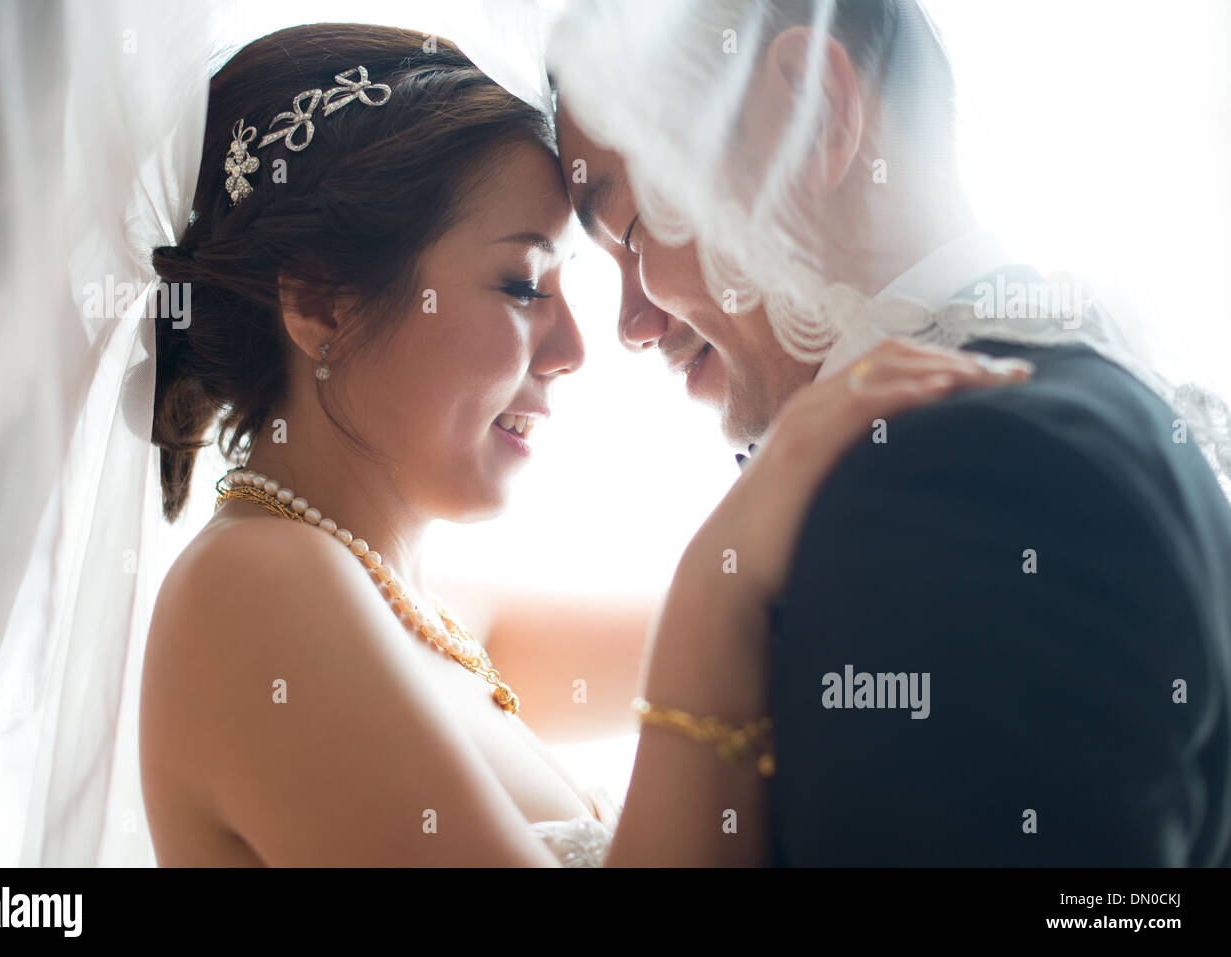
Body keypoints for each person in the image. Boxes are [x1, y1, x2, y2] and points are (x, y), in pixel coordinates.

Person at [138, 20, 1027, 867]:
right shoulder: (254, 588)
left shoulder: (434, 611)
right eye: (523, 284)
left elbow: (800, 629)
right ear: (323, 303)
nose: (573, 351)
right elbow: (722, 629)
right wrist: (744, 530)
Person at [550, 0, 1231, 865]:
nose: (631, 324)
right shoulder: (1036, 404)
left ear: (815, 115)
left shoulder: (964, 479)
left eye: (637, 232)